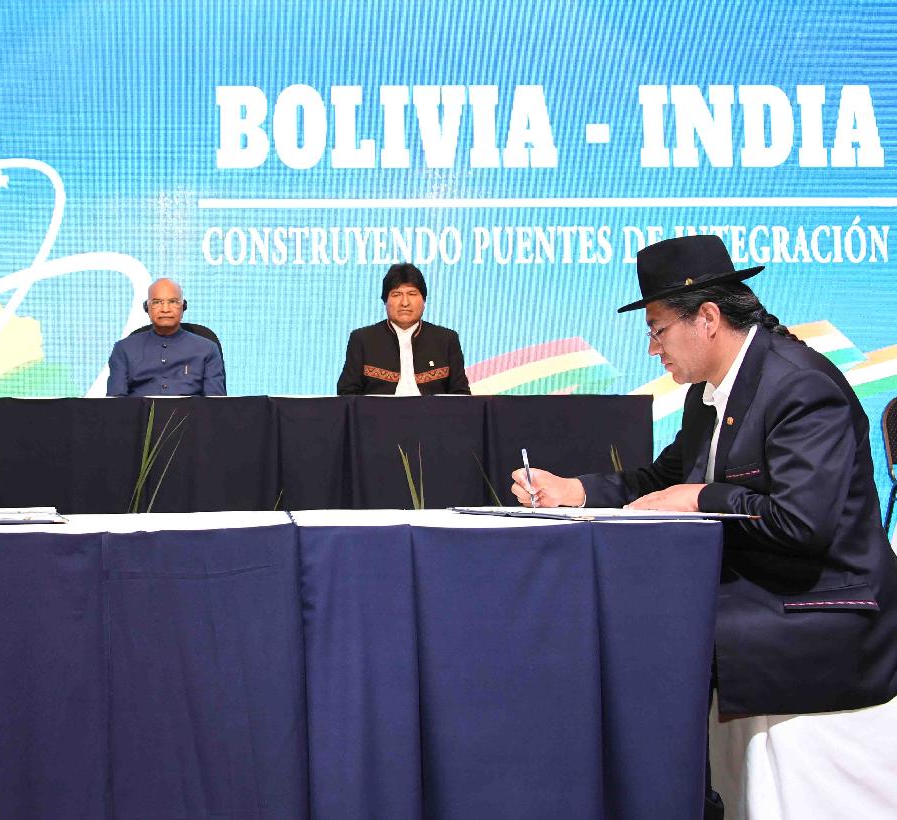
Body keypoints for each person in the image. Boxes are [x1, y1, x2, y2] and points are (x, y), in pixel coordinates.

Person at [511, 234, 897, 719]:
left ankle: (672, 770)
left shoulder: (800, 387)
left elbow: (800, 524)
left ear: (708, 319)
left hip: (827, 606)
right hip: (756, 585)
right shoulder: (707, 391)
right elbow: (665, 480)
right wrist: (576, 491)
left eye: (658, 331)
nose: (652, 349)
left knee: (652, 631)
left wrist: (702, 498)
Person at [337, 263, 470, 395]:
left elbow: (461, 395)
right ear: (385, 301)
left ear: (424, 300)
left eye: (412, 294)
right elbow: (347, 394)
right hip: (378, 410)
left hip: (432, 409)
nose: (405, 303)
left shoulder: (446, 340)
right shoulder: (362, 339)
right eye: (396, 294)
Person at [107, 278, 226, 396]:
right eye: (157, 302)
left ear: (183, 306)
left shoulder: (208, 349)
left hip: (192, 409)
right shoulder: (123, 349)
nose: (165, 309)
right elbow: (115, 402)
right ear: (146, 307)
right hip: (138, 409)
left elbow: (215, 403)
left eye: (173, 302)